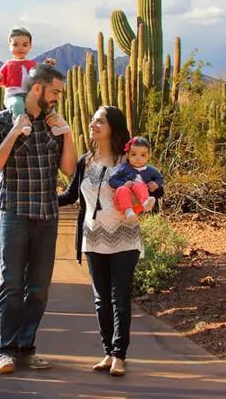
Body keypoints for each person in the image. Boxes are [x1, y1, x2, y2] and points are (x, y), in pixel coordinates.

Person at [0, 62, 76, 374]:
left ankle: (27, 347)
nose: (58, 98)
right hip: (15, 214)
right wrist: (13, 131)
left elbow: (68, 169)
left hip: (46, 215)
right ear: (38, 89)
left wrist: (68, 133)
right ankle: (5, 351)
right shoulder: (3, 119)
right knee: (11, 283)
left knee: (38, 287)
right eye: (55, 92)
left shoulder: (52, 123)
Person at [57, 106, 164, 377]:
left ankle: (119, 355)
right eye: (92, 120)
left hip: (124, 237)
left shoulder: (128, 162)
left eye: (99, 121)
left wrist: (153, 191)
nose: (92, 124)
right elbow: (70, 196)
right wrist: (41, 197)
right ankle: (107, 352)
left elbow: (154, 188)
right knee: (100, 300)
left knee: (119, 298)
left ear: (112, 128)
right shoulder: (85, 162)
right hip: (93, 238)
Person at [0, 28, 67, 137]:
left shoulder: (32, 63)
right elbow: (1, 81)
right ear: (9, 46)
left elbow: (39, 72)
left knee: (46, 104)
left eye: (25, 45)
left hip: (30, 94)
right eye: (16, 45)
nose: (20, 48)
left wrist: (48, 64)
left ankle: (55, 126)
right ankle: (21, 124)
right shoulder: (8, 65)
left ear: (30, 46)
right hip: (14, 94)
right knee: (17, 104)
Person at [108, 136, 164, 221]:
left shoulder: (151, 170)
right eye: (133, 154)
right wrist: (123, 184)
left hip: (139, 205)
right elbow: (112, 179)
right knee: (122, 189)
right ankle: (128, 212)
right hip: (122, 203)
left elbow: (160, 177)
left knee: (140, 185)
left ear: (148, 156)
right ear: (127, 155)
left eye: (143, 155)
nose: (138, 158)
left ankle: (146, 203)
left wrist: (156, 184)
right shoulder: (122, 168)